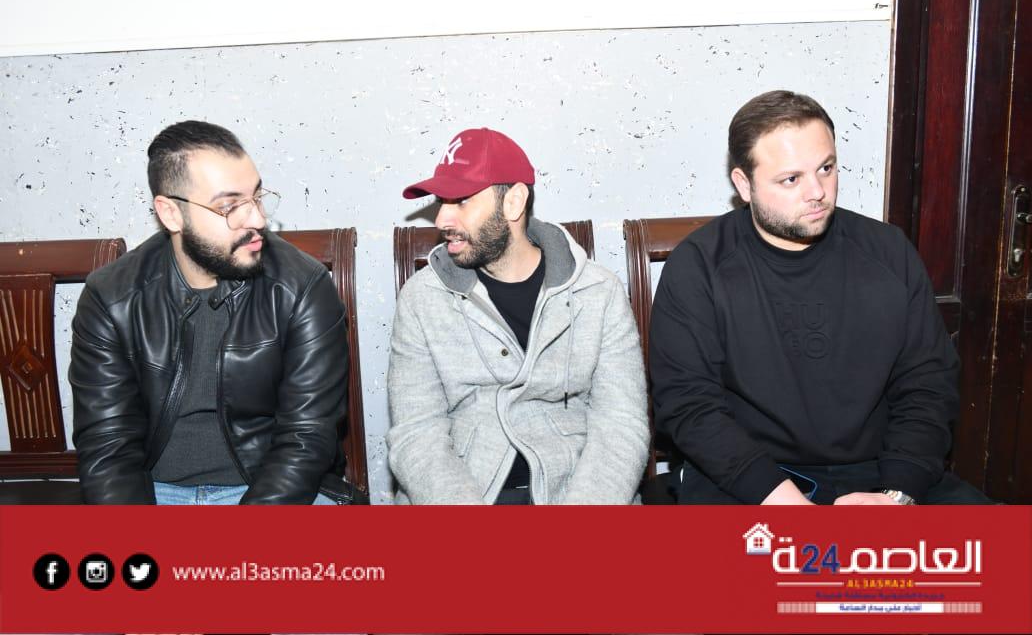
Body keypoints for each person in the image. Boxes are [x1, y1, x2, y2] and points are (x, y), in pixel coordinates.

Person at [649, 90, 992, 505]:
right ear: (744, 184)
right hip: (746, 479)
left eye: (826, 168)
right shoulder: (699, 266)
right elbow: (689, 405)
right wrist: (788, 505)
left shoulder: (888, 253)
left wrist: (896, 495)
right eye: (791, 179)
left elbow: (928, 385)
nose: (817, 191)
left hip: (880, 474)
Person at [71, 120, 353, 505]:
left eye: (256, 197)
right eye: (229, 206)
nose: (257, 219)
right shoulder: (111, 297)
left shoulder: (301, 286)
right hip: (153, 492)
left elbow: (305, 440)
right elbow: (108, 449)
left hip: (272, 487)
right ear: (171, 214)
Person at [387, 127, 649, 504]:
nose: (442, 218)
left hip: (576, 491)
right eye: (441, 201)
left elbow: (621, 425)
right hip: (463, 493)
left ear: (513, 202)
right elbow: (416, 433)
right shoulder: (422, 298)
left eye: (461, 200)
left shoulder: (598, 292)